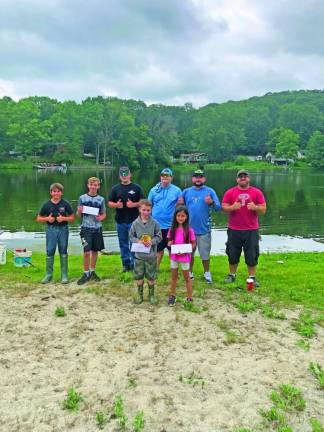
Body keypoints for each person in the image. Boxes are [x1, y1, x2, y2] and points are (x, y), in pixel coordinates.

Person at [222, 169, 266, 287]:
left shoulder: (257, 192)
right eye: (240, 176)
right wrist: (232, 207)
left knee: (252, 253)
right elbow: (224, 207)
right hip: (234, 229)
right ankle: (232, 275)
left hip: (251, 229)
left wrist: (255, 207)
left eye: (245, 176)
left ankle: (252, 277)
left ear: (249, 179)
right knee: (232, 253)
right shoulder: (230, 192)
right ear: (237, 179)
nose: (242, 178)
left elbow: (263, 209)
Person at [181, 169, 221, 283]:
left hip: (204, 229)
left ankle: (207, 273)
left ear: (204, 179)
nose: (198, 179)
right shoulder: (186, 192)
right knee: (189, 253)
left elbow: (218, 208)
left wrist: (211, 202)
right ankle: (190, 273)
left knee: (205, 254)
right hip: (188, 230)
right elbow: (179, 207)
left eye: (200, 177)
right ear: (192, 178)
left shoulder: (210, 191)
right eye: (196, 177)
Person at [36, 182, 74, 284]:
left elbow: (72, 217)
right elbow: (38, 218)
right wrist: (47, 218)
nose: (56, 193)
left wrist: (63, 218)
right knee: (50, 250)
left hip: (63, 229)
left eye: (58, 191)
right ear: (51, 192)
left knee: (63, 250)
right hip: (51, 229)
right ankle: (48, 275)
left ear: (61, 193)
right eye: (54, 191)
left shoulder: (65, 204)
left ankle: (64, 275)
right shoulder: (46, 205)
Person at [108, 166, 144, 272]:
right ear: (120, 176)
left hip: (134, 221)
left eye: (126, 174)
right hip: (120, 221)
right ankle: (126, 264)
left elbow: (143, 203)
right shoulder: (115, 189)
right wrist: (116, 205)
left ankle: (134, 264)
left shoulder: (137, 188)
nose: (124, 177)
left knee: (134, 243)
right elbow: (110, 203)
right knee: (123, 243)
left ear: (130, 175)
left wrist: (133, 204)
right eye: (122, 175)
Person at [129, 199, 162, 305]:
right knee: (139, 276)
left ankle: (151, 295)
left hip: (151, 256)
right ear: (139, 209)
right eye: (144, 210)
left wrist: (152, 242)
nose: (146, 212)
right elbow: (131, 236)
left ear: (151, 210)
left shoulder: (155, 223)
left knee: (151, 277)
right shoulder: (135, 223)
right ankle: (140, 294)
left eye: (148, 210)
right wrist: (137, 241)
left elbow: (159, 236)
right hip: (139, 256)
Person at [148, 168, 182, 269]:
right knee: (158, 249)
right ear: (160, 177)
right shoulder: (154, 190)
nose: (165, 178)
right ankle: (156, 269)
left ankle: (174, 268)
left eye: (167, 176)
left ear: (171, 178)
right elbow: (148, 206)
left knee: (172, 248)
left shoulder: (177, 190)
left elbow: (181, 209)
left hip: (171, 226)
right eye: (163, 176)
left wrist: (179, 205)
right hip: (156, 225)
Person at [76, 177, 106, 285]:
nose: (93, 187)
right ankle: (85, 273)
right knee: (86, 252)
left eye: (96, 185)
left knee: (94, 251)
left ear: (98, 186)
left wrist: (100, 218)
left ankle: (92, 271)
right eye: (91, 185)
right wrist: (79, 211)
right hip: (85, 229)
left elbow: (104, 214)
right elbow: (78, 215)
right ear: (88, 185)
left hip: (97, 229)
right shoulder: (82, 198)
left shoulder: (101, 199)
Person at [167, 206, 196, 307]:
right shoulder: (172, 229)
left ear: (187, 217)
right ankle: (172, 296)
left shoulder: (190, 230)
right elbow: (169, 242)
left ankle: (189, 297)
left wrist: (185, 251)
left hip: (184, 257)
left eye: (183, 216)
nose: (180, 218)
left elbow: (193, 244)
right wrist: (169, 243)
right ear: (175, 217)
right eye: (178, 216)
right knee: (173, 277)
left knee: (187, 277)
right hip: (174, 257)